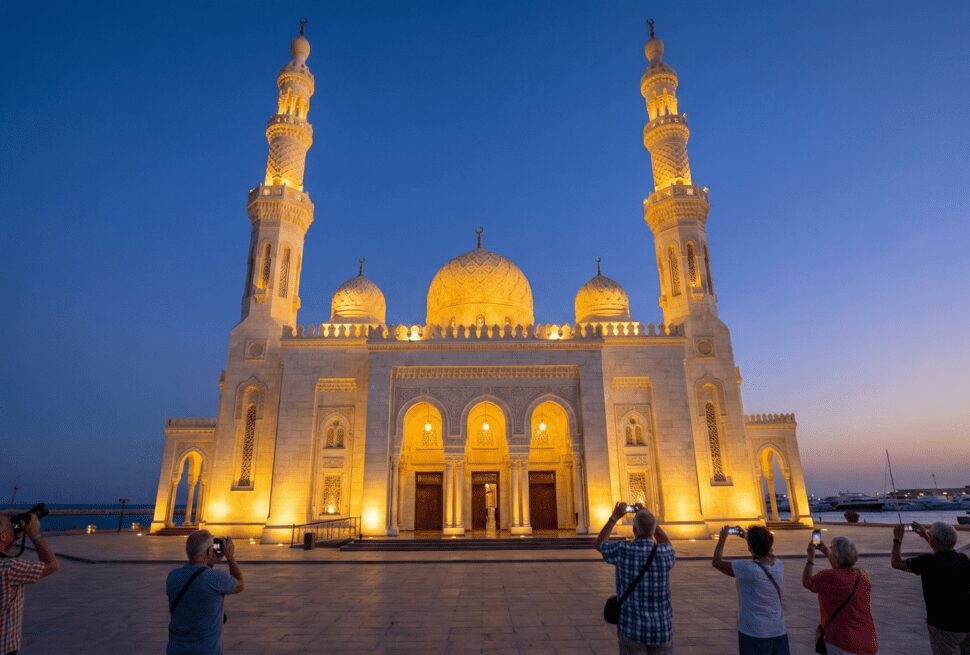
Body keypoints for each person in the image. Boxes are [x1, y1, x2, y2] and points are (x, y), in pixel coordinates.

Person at [596, 502, 676, 654]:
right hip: (662, 630)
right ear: (653, 531)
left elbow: (600, 544)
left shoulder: (623, 551)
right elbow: (667, 543)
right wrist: (650, 518)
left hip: (633, 630)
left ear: (634, 530)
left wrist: (614, 517)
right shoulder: (665, 553)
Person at [891, 521, 970, 655]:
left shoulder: (928, 562)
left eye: (930, 535)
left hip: (944, 627)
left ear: (935, 541)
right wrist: (926, 536)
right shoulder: (963, 559)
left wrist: (897, 539)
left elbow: (896, 562)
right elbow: (942, 549)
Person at [712, 525, 789, 654]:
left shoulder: (747, 569)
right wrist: (748, 538)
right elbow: (767, 552)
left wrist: (722, 538)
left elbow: (716, 562)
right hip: (778, 631)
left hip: (754, 632)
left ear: (750, 547)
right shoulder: (778, 565)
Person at [166, 530, 244, 655]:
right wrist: (230, 557)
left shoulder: (173, 577)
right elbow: (239, 584)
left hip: (176, 649)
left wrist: (210, 561)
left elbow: (199, 577)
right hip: (206, 650)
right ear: (209, 551)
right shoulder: (216, 578)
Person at [803, 535, 878, 655]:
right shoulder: (863, 576)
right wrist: (828, 553)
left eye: (831, 549)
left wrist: (810, 558)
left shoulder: (828, 576)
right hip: (868, 642)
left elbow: (807, 581)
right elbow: (841, 573)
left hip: (842, 643)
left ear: (836, 556)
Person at [1, 511, 59, 655]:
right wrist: (34, 534)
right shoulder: (9, 568)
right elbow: (52, 564)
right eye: (10, 528)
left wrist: (10, 536)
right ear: (2, 536)